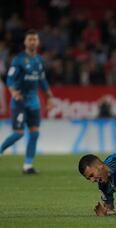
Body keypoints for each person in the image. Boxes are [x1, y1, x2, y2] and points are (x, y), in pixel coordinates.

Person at [0, 30, 54, 174]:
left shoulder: (39, 60)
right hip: (20, 102)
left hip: (34, 102)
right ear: (25, 42)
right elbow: (10, 79)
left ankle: (27, 165)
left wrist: (49, 96)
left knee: (34, 133)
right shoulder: (18, 60)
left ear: (38, 42)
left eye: (34, 39)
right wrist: (13, 92)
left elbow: (42, 79)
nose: (32, 42)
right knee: (18, 133)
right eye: (30, 39)